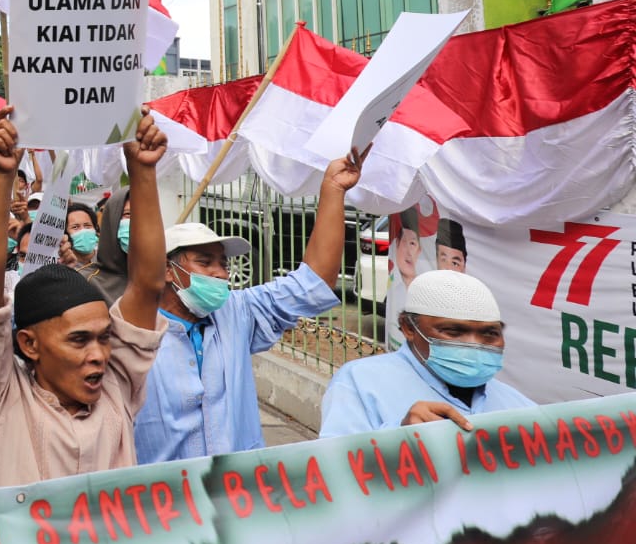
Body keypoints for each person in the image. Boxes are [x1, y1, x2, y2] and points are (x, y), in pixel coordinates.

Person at [0, 110, 169, 488]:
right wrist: (3, 176)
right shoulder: (1, 398)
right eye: (78, 339)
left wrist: (143, 171)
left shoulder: (116, 385)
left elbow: (148, 286)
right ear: (29, 344)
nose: (100, 354)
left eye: (104, 337)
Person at [133, 150, 365, 464]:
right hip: (162, 501)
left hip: (241, 496)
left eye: (223, 263)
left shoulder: (237, 311)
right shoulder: (132, 334)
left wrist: (333, 191)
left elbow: (312, 284)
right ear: (168, 270)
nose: (220, 273)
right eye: (205, 262)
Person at [319, 270, 531, 436]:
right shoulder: (360, 383)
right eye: (454, 332)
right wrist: (398, 437)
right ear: (409, 328)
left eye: (489, 333)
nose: (473, 345)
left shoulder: (518, 406)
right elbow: (333, 470)